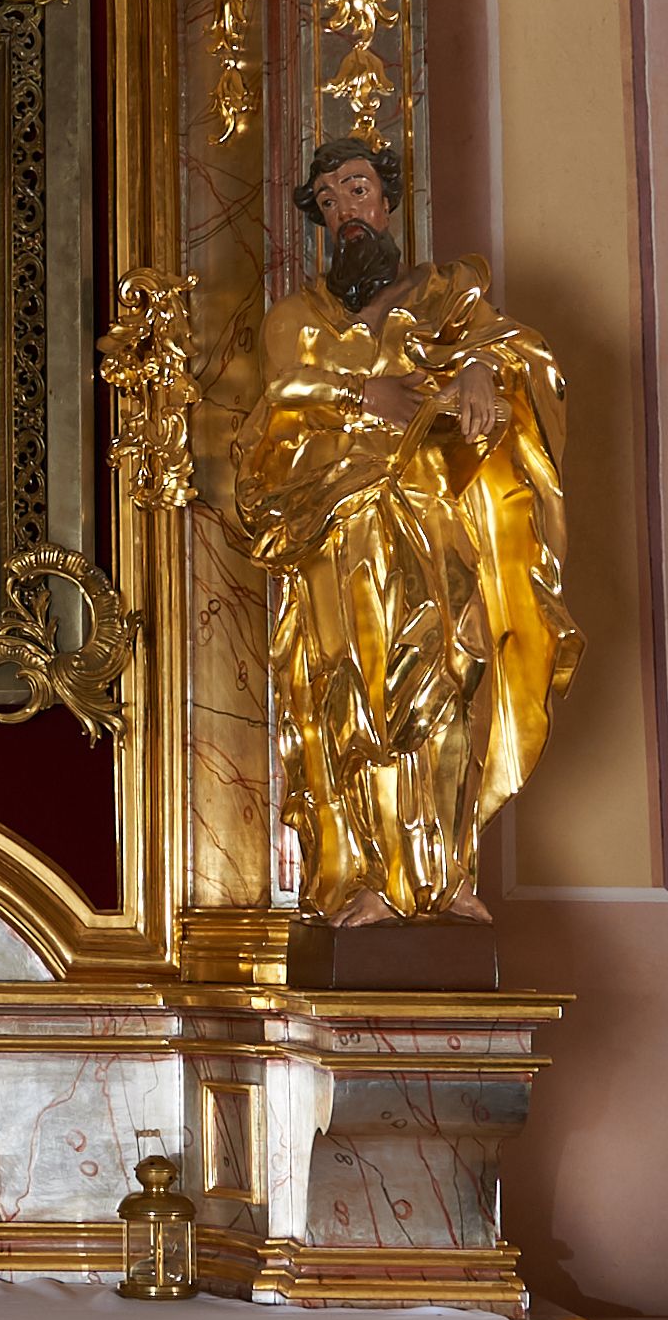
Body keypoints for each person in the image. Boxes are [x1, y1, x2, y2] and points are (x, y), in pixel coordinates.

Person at [231, 136, 582, 928]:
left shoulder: (444, 297)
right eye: (327, 201)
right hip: (338, 526)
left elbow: (516, 352)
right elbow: (285, 386)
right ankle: (360, 874)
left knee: (446, 676)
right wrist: (367, 394)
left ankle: (441, 874)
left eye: (356, 190)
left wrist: (478, 370)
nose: (344, 212)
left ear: (387, 201)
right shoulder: (295, 316)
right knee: (351, 694)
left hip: (429, 520)